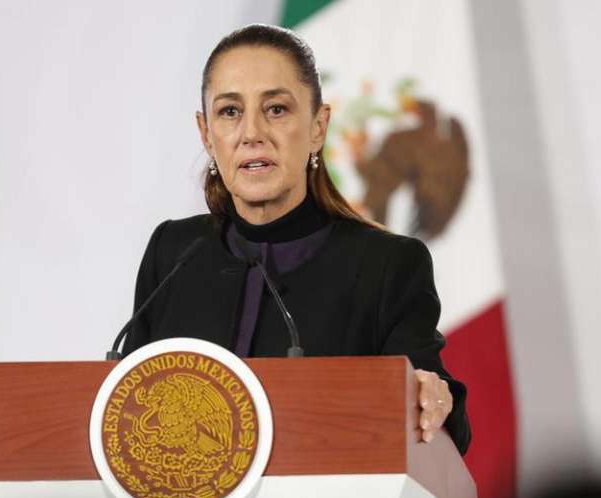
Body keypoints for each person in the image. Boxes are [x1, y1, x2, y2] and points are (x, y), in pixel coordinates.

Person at [121, 24, 471, 455]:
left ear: (318, 127)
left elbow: (430, 410)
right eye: (229, 111)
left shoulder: (388, 265)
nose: (252, 133)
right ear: (206, 133)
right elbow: (127, 412)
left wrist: (435, 397)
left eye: (276, 109)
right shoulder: (173, 252)